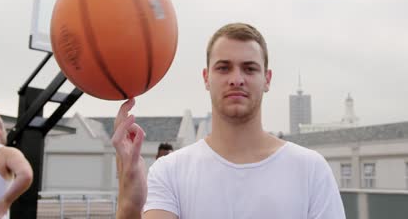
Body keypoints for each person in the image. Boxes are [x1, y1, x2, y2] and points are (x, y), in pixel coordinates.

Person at [112, 23, 346, 219]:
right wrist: (129, 207)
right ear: (206, 78)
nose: (236, 79)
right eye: (224, 68)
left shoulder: (310, 169)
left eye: (249, 69)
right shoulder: (169, 171)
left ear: (267, 79)